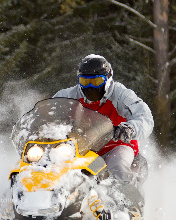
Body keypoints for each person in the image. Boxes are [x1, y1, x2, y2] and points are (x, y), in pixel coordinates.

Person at [53, 54, 154, 186]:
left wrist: (130, 128)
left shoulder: (121, 95)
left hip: (117, 146)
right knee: (58, 168)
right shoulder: (68, 96)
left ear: (108, 79)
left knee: (117, 168)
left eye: (96, 82)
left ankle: (130, 196)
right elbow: (48, 113)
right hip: (83, 150)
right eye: (84, 81)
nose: (90, 87)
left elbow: (144, 116)